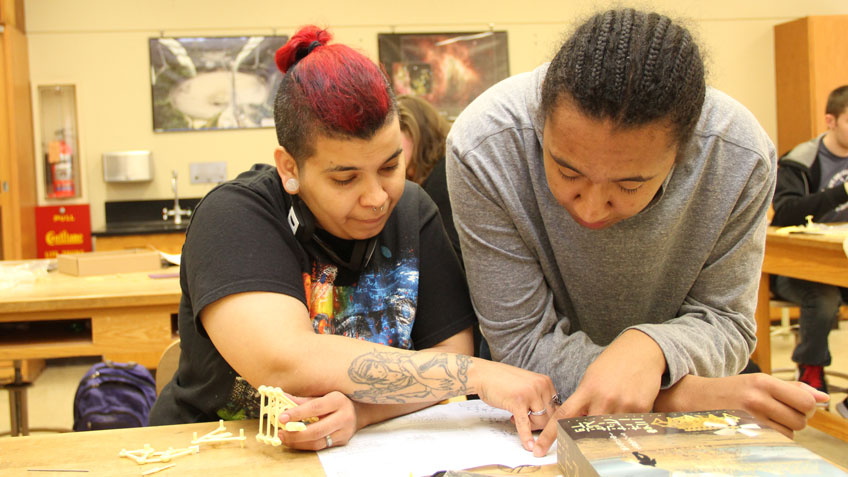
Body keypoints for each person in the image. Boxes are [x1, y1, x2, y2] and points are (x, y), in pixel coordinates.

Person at [149, 25, 558, 452]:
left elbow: (447, 345)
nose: (378, 198)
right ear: (290, 168)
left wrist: (360, 412)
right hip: (212, 453)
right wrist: (478, 374)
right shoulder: (234, 217)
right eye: (345, 179)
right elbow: (286, 361)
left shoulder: (413, 210)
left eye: (389, 166)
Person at [445, 8, 829, 456]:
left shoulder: (737, 155)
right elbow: (521, 343)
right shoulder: (487, 144)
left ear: (684, 152)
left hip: (683, 427)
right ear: (540, 123)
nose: (591, 207)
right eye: (566, 171)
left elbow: (728, 321)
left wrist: (650, 349)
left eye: (630, 184)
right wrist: (682, 397)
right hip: (540, 422)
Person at [771, 84, 848, 417]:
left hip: (842, 263)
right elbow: (785, 212)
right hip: (794, 270)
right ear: (830, 121)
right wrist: (841, 192)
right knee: (824, 296)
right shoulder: (800, 159)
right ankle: (811, 372)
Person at [397, 94, 461, 260]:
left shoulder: (442, 179)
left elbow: (449, 256)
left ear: (418, 134)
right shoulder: (431, 176)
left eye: (398, 132)